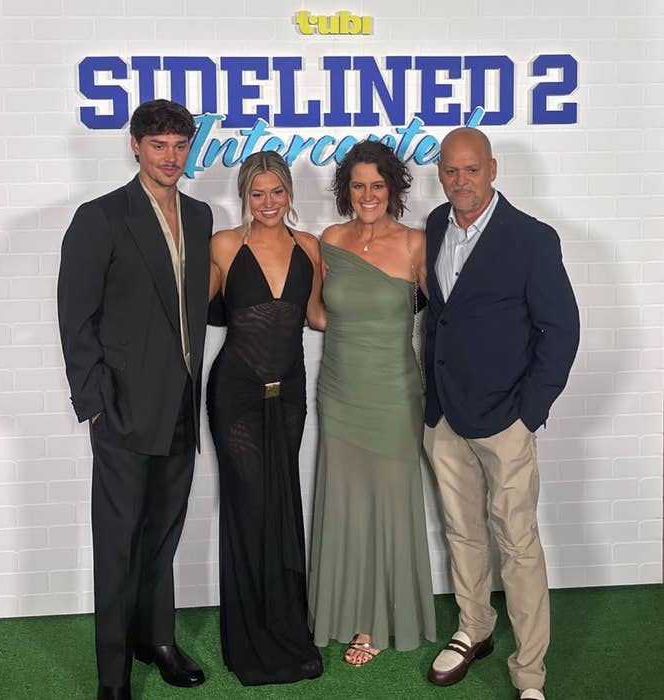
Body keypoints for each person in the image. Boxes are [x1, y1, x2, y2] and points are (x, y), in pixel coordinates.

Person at [57, 99, 211, 700]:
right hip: (121, 407)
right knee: (118, 545)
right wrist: (94, 401)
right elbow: (76, 316)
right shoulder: (100, 217)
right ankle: (112, 676)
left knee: (163, 534)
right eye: (158, 146)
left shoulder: (198, 215)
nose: (170, 157)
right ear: (136, 147)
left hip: (181, 405)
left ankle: (158, 639)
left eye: (179, 145)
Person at [423, 127, 580, 700]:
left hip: (505, 421)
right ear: (440, 173)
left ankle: (529, 673)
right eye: (450, 170)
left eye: (471, 169)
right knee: (461, 531)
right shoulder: (435, 225)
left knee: (517, 544)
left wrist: (528, 413)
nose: (460, 180)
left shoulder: (531, 238)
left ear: (492, 169)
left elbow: (561, 329)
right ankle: (475, 627)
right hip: (444, 416)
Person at [308, 139, 436, 666]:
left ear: (393, 189)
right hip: (340, 389)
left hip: (393, 394)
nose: (367, 195)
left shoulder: (415, 243)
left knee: (389, 504)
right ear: (346, 189)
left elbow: (443, 313)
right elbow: (315, 313)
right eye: (358, 185)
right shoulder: (330, 239)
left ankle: (382, 621)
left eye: (377, 185)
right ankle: (344, 615)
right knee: (345, 504)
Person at [207, 151, 325, 685]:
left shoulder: (310, 247)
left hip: (290, 395)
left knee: (281, 503)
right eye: (258, 193)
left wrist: (391, 307)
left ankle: (286, 627)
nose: (269, 202)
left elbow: (316, 316)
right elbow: (190, 310)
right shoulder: (224, 245)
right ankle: (250, 638)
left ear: (290, 194)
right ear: (244, 196)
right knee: (250, 505)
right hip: (236, 395)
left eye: (277, 192)